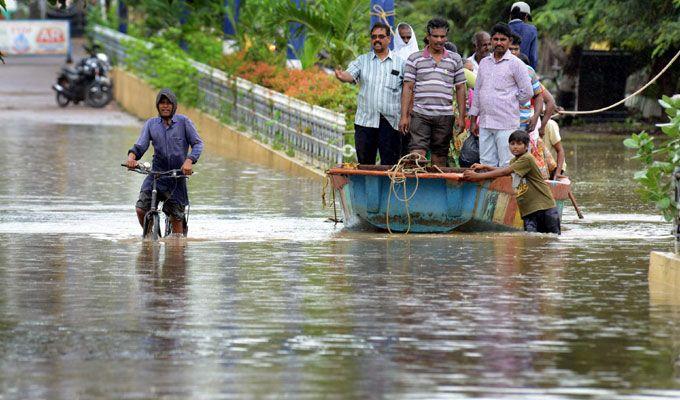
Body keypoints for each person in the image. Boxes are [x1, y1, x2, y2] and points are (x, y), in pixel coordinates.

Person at [125, 88, 204, 236]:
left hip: (176, 176)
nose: (165, 106)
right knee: (141, 209)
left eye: (168, 103)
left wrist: (189, 160)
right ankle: (150, 238)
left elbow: (198, 144)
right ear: (157, 106)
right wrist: (131, 158)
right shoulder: (151, 124)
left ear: (174, 106)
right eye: (162, 103)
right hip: (156, 175)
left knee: (177, 226)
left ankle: (177, 250)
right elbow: (140, 145)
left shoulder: (184, 122)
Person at [463, 130, 560, 234]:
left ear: (526, 146)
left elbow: (505, 171)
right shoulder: (514, 161)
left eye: (519, 144)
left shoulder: (527, 158)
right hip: (528, 210)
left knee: (552, 239)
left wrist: (478, 176)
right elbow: (506, 171)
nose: (515, 147)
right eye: (512, 144)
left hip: (544, 207)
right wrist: (485, 166)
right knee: (533, 242)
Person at [399, 17, 467, 167]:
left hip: (445, 115)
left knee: (439, 157)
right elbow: (408, 87)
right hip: (420, 114)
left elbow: (461, 88)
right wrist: (404, 116)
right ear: (428, 36)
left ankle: (437, 189)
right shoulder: (414, 59)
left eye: (442, 36)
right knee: (416, 156)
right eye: (435, 36)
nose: (439, 40)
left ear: (446, 37)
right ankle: (417, 189)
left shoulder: (455, 59)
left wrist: (462, 117)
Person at [335, 22, 405, 165]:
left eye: (381, 36)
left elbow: (408, 91)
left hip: (391, 122)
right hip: (365, 121)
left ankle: (387, 188)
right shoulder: (362, 60)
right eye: (374, 37)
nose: (377, 40)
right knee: (365, 164)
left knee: (390, 166)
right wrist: (342, 76)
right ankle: (368, 188)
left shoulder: (401, 63)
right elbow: (350, 74)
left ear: (388, 39)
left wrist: (406, 116)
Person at [468, 22, 533, 167]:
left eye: (502, 40)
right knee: (485, 163)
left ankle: (505, 191)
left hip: (506, 123)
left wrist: (510, 101)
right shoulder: (484, 63)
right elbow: (478, 92)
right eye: (496, 39)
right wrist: (473, 121)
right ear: (491, 41)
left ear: (509, 41)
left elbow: (528, 92)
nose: (499, 43)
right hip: (485, 122)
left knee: (507, 163)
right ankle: (488, 191)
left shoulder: (516, 64)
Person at [508, 1, 538, 69]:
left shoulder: (503, 29)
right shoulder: (532, 30)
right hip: (525, 70)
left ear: (510, 15)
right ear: (526, 16)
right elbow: (533, 57)